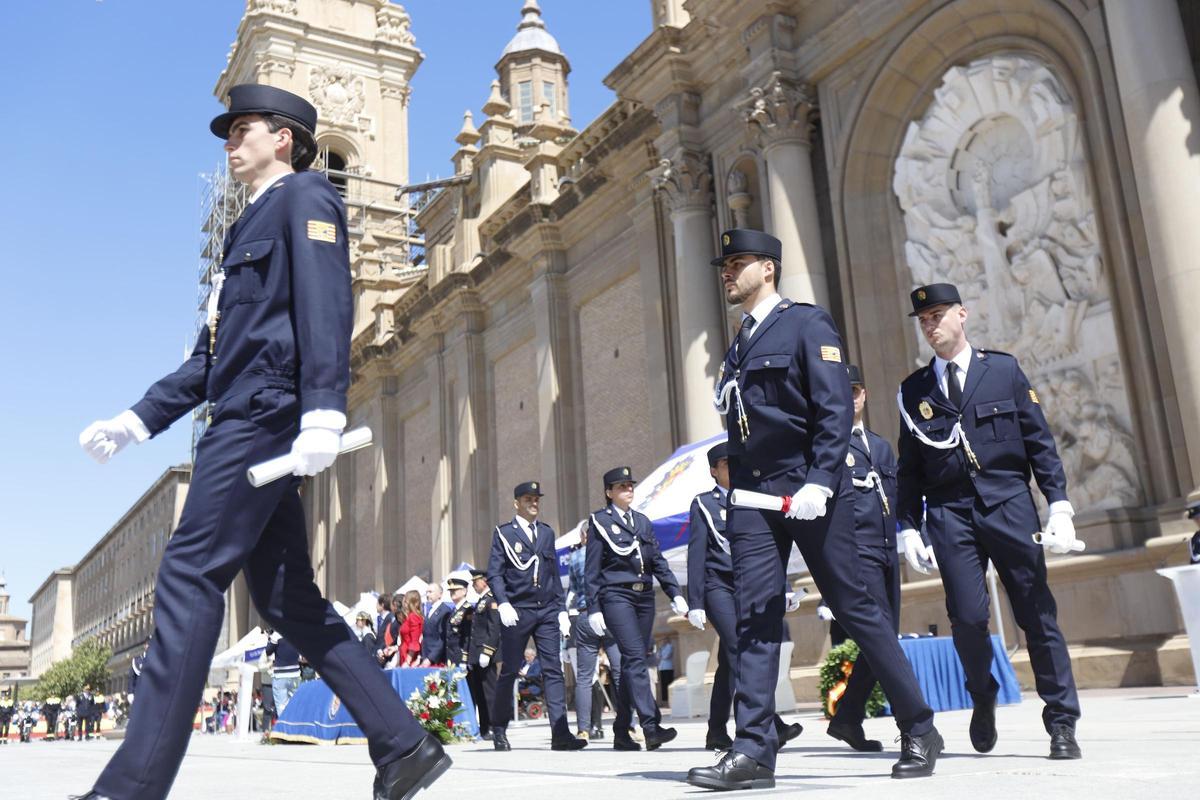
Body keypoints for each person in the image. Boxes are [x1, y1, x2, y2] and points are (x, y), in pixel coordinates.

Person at [73, 84, 448, 800]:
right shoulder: (246, 227)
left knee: (189, 575)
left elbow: (327, 303)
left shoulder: (305, 196)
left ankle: (131, 787)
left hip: (260, 418)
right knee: (285, 599)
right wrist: (136, 419)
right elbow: (210, 360)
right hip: (246, 411)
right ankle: (404, 744)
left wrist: (323, 411)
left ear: (284, 138)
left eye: (241, 128)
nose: (229, 142)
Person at [688, 230, 940, 791]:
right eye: (724, 264)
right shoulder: (738, 344)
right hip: (754, 498)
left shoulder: (807, 324)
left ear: (768, 268)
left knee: (856, 607)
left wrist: (821, 481)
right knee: (755, 616)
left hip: (809, 492)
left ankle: (920, 727)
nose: (727, 272)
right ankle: (754, 750)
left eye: (737, 262)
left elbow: (833, 410)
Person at [897, 282, 1083, 761]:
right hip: (949, 513)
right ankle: (982, 692)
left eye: (938, 315)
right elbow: (909, 468)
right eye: (924, 320)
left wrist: (1059, 505)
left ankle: (1062, 721)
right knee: (967, 617)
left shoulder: (1002, 370)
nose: (931, 325)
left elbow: (1039, 443)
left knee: (1036, 612)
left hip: (1008, 504)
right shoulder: (913, 390)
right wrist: (908, 526)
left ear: (962, 315)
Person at [686, 442, 804, 752]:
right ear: (714, 471)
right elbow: (696, 555)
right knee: (740, 648)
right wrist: (695, 602)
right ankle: (769, 723)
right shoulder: (704, 504)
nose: (733, 468)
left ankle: (716, 731)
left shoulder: (751, 497)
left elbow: (771, 548)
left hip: (747, 584)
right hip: (717, 586)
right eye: (726, 464)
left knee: (730, 661)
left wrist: (784, 586)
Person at [822, 364, 905, 752]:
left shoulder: (881, 446)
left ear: (864, 395)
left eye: (855, 391)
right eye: (843, 391)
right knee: (883, 636)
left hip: (888, 550)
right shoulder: (830, 447)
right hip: (858, 552)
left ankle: (848, 717)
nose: (850, 398)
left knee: (885, 638)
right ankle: (912, 723)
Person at [586, 466, 689, 751]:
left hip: (644, 598)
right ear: (609, 493)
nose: (628, 489)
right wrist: (593, 607)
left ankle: (621, 731)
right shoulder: (600, 521)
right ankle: (651, 726)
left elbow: (657, 561)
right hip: (616, 596)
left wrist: (674, 592)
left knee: (634, 663)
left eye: (630, 485)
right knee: (634, 658)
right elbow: (591, 569)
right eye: (621, 486)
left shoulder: (642, 521)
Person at [486, 481, 586, 751]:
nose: (533, 503)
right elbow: (495, 573)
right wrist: (503, 602)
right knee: (510, 670)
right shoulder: (504, 533)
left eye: (536, 499)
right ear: (516, 503)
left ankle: (560, 734)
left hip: (546, 609)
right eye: (528, 499)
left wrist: (561, 609)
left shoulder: (546, 532)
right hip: (518, 610)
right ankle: (499, 729)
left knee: (553, 670)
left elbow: (552, 574)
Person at [568, 524, 625, 741]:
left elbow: (574, 589)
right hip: (609, 613)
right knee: (619, 671)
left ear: (583, 536)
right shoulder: (608, 553)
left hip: (585, 614)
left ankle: (583, 729)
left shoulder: (575, 557)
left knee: (584, 677)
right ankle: (627, 725)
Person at [466, 569, 501, 739]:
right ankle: (485, 727)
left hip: (486, 653)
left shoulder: (492, 599)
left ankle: (495, 726)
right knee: (480, 693)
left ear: (485, 581)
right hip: (476, 653)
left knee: (490, 692)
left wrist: (488, 651)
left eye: (476, 581)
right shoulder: (481, 600)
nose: (474, 585)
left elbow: (494, 628)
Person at [441, 573, 473, 668]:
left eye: (455, 590)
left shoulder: (468, 610)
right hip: (451, 657)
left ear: (464, 591)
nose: (452, 592)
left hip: (460, 656)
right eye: (451, 590)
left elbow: (468, 636)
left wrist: (465, 658)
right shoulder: (454, 611)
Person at [420, 583, 450, 666]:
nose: (427, 595)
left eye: (430, 592)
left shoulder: (444, 611)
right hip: (426, 655)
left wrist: (431, 658)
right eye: (427, 592)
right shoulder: (430, 610)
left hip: (437, 659)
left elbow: (442, 638)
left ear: (440, 594)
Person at [398, 590, 425, 667]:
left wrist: (408, 661)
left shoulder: (413, 617)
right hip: (405, 653)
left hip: (410, 656)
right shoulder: (409, 617)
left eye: (405, 601)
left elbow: (414, 641)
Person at [1187, 487, 1200, 563]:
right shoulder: (1195, 538)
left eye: (1199, 518)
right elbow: (1194, 561)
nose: (1197, 521)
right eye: (1196, 519)